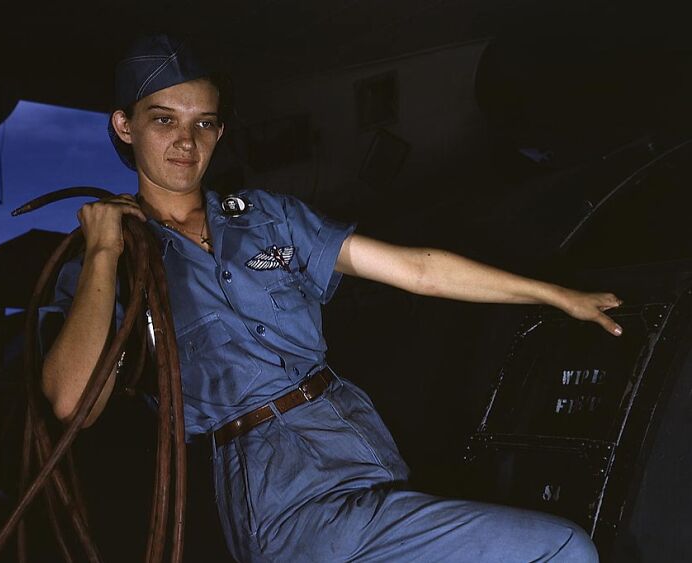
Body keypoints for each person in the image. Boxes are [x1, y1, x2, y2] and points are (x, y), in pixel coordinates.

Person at [41, 34, 622, 562]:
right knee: (562, 550)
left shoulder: (267, 216)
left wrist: (553, 294)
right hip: (271, 483)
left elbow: (417, 269)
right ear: (124, 126)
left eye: (206, 123)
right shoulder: (114, 261)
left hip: (355, 437)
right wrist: (101, 253)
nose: (187, 143)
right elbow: (75, 403)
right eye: (164, 120)